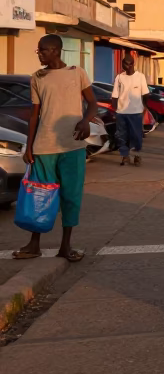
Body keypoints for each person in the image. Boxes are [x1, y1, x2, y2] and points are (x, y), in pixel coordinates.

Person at [13, 34, 101, 262]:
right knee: (41, 197)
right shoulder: (37, 78)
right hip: (44, 146)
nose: (39, 54)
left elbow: (92, 103)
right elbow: (35, 115)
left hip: (72, 146)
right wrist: (28, 146)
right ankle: (34, 245)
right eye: (38, 50)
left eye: (43, 50)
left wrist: (85, 121)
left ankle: (65, 246)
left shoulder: (77, 72)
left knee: (71, 196)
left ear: (55, 50)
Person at [111, 54, 149, 166]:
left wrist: (145, 106)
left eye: (126, 63)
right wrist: (115, 110)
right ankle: (125, 157)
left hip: (136, 113)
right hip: (121, 113)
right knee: (121, 135)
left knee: (136, 136)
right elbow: (114, 95)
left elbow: (146, 94)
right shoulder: (119, 77)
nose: (124, 66)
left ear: (132, 64)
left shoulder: (140, 76)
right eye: (123, 63)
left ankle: (137, 155)